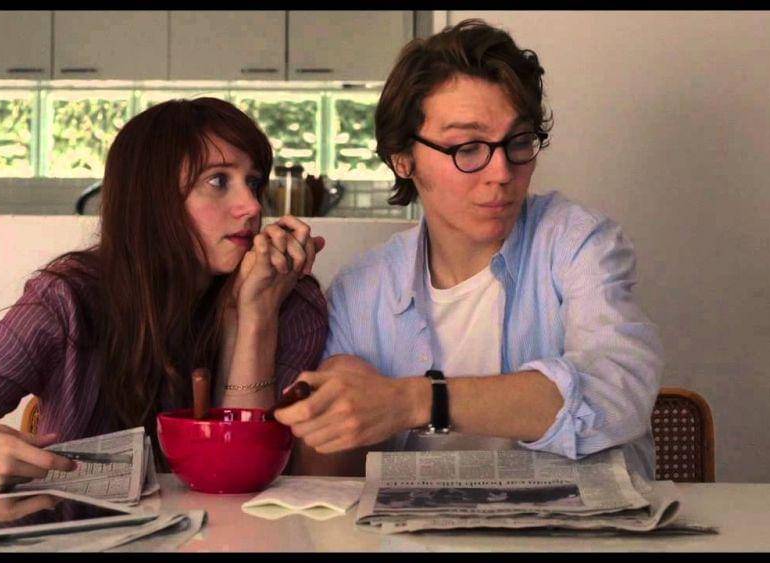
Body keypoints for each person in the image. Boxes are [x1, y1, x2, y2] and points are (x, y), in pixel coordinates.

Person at [275, 19, 663, 480]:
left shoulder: (578, 244)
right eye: (467, 146)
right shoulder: (360, 292)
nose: (501, 172)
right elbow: (321, 482)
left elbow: (619, 392)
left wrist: (416, 400)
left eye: (519, 141)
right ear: (403, 158)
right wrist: (336, 412)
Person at [0, 98, 329, 493]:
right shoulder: (67, 298)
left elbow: (236, 475)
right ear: (154, 198)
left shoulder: (289, 302)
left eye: (253, 182)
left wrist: (254, 317)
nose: (252, 206)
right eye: (218, 180)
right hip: (72, 534)